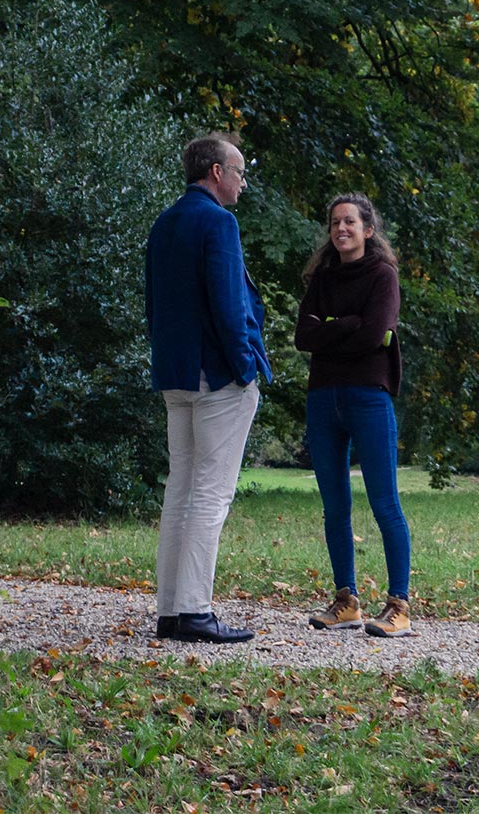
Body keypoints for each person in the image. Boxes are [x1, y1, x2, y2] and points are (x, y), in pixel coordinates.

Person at [144, 134, 271, 644]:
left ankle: (171, 612)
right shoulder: (218, 222)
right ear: (216, 171)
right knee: (210, 495)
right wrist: (245, 368)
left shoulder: (164, 222)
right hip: (216, 375)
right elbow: (227, 304)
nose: (242, 182)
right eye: (239, 172)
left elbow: (153, 304)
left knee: (180, 490)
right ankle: (194, 611)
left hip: (175, 373)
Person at [295, 193, 414, 638]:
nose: (340, 229)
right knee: (335, 507)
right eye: (334, 223)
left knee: (385, 504)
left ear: (368, 229)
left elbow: (374, 334)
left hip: (369, 397)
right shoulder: (322, 279)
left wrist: (334, 325)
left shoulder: (383, 275)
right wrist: (352, 323)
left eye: (349, 222)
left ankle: (399, 605)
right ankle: (346, 602)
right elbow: (304, 335)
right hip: (323, 398)